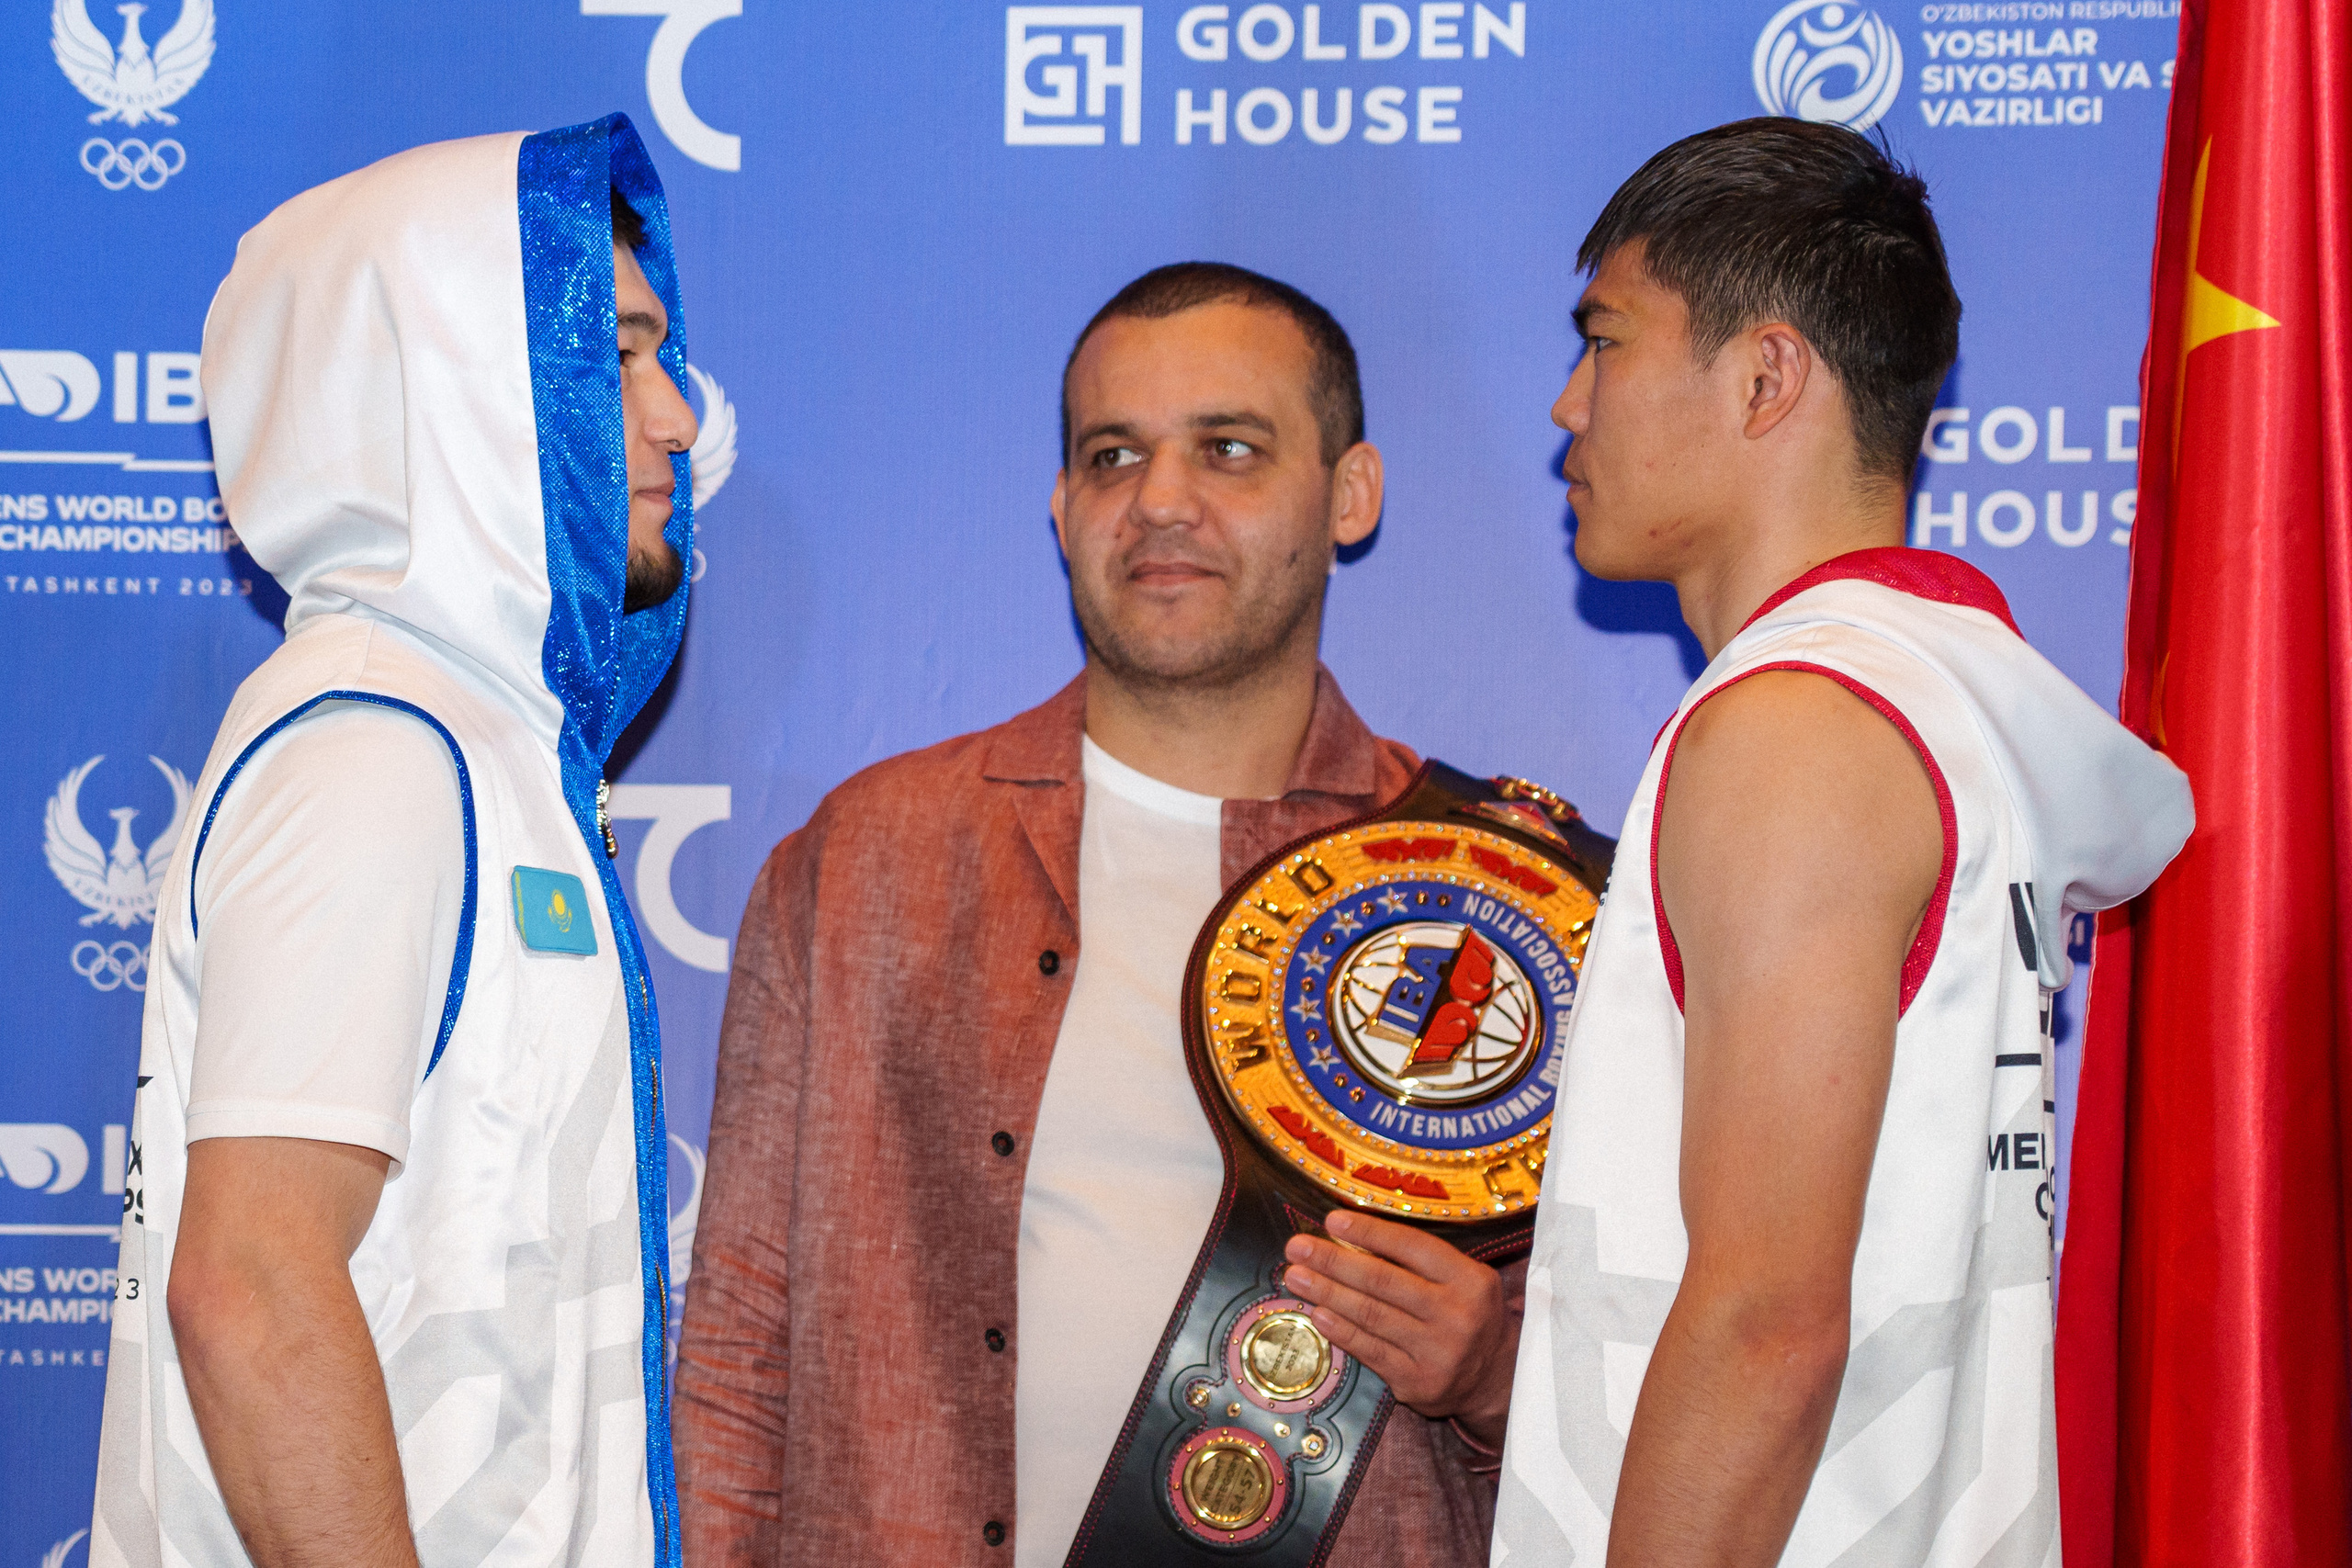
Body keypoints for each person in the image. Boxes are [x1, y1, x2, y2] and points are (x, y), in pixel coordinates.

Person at [674, 263, 1528, 1565]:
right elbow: (739, 1342)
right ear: (1065, 505)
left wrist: (1490, 1375)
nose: (1161, 502)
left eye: (1229, 450)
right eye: (1113, 455)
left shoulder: (1496, 900)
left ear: (1349, 493)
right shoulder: (864, 861)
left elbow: (1641, 1388)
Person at [1489, 119, 2193, 1567]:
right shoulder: (1941, 704)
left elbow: (1768, 1324)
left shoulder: (1797, 730)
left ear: (1764, 376)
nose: (1568, 406)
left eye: (1606, 343)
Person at [90, 116, 701, 1568]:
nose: (676, 414)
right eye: (614, 359)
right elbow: (249, 1287)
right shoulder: (376, 754)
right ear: (464, 394)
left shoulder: (478, 748)